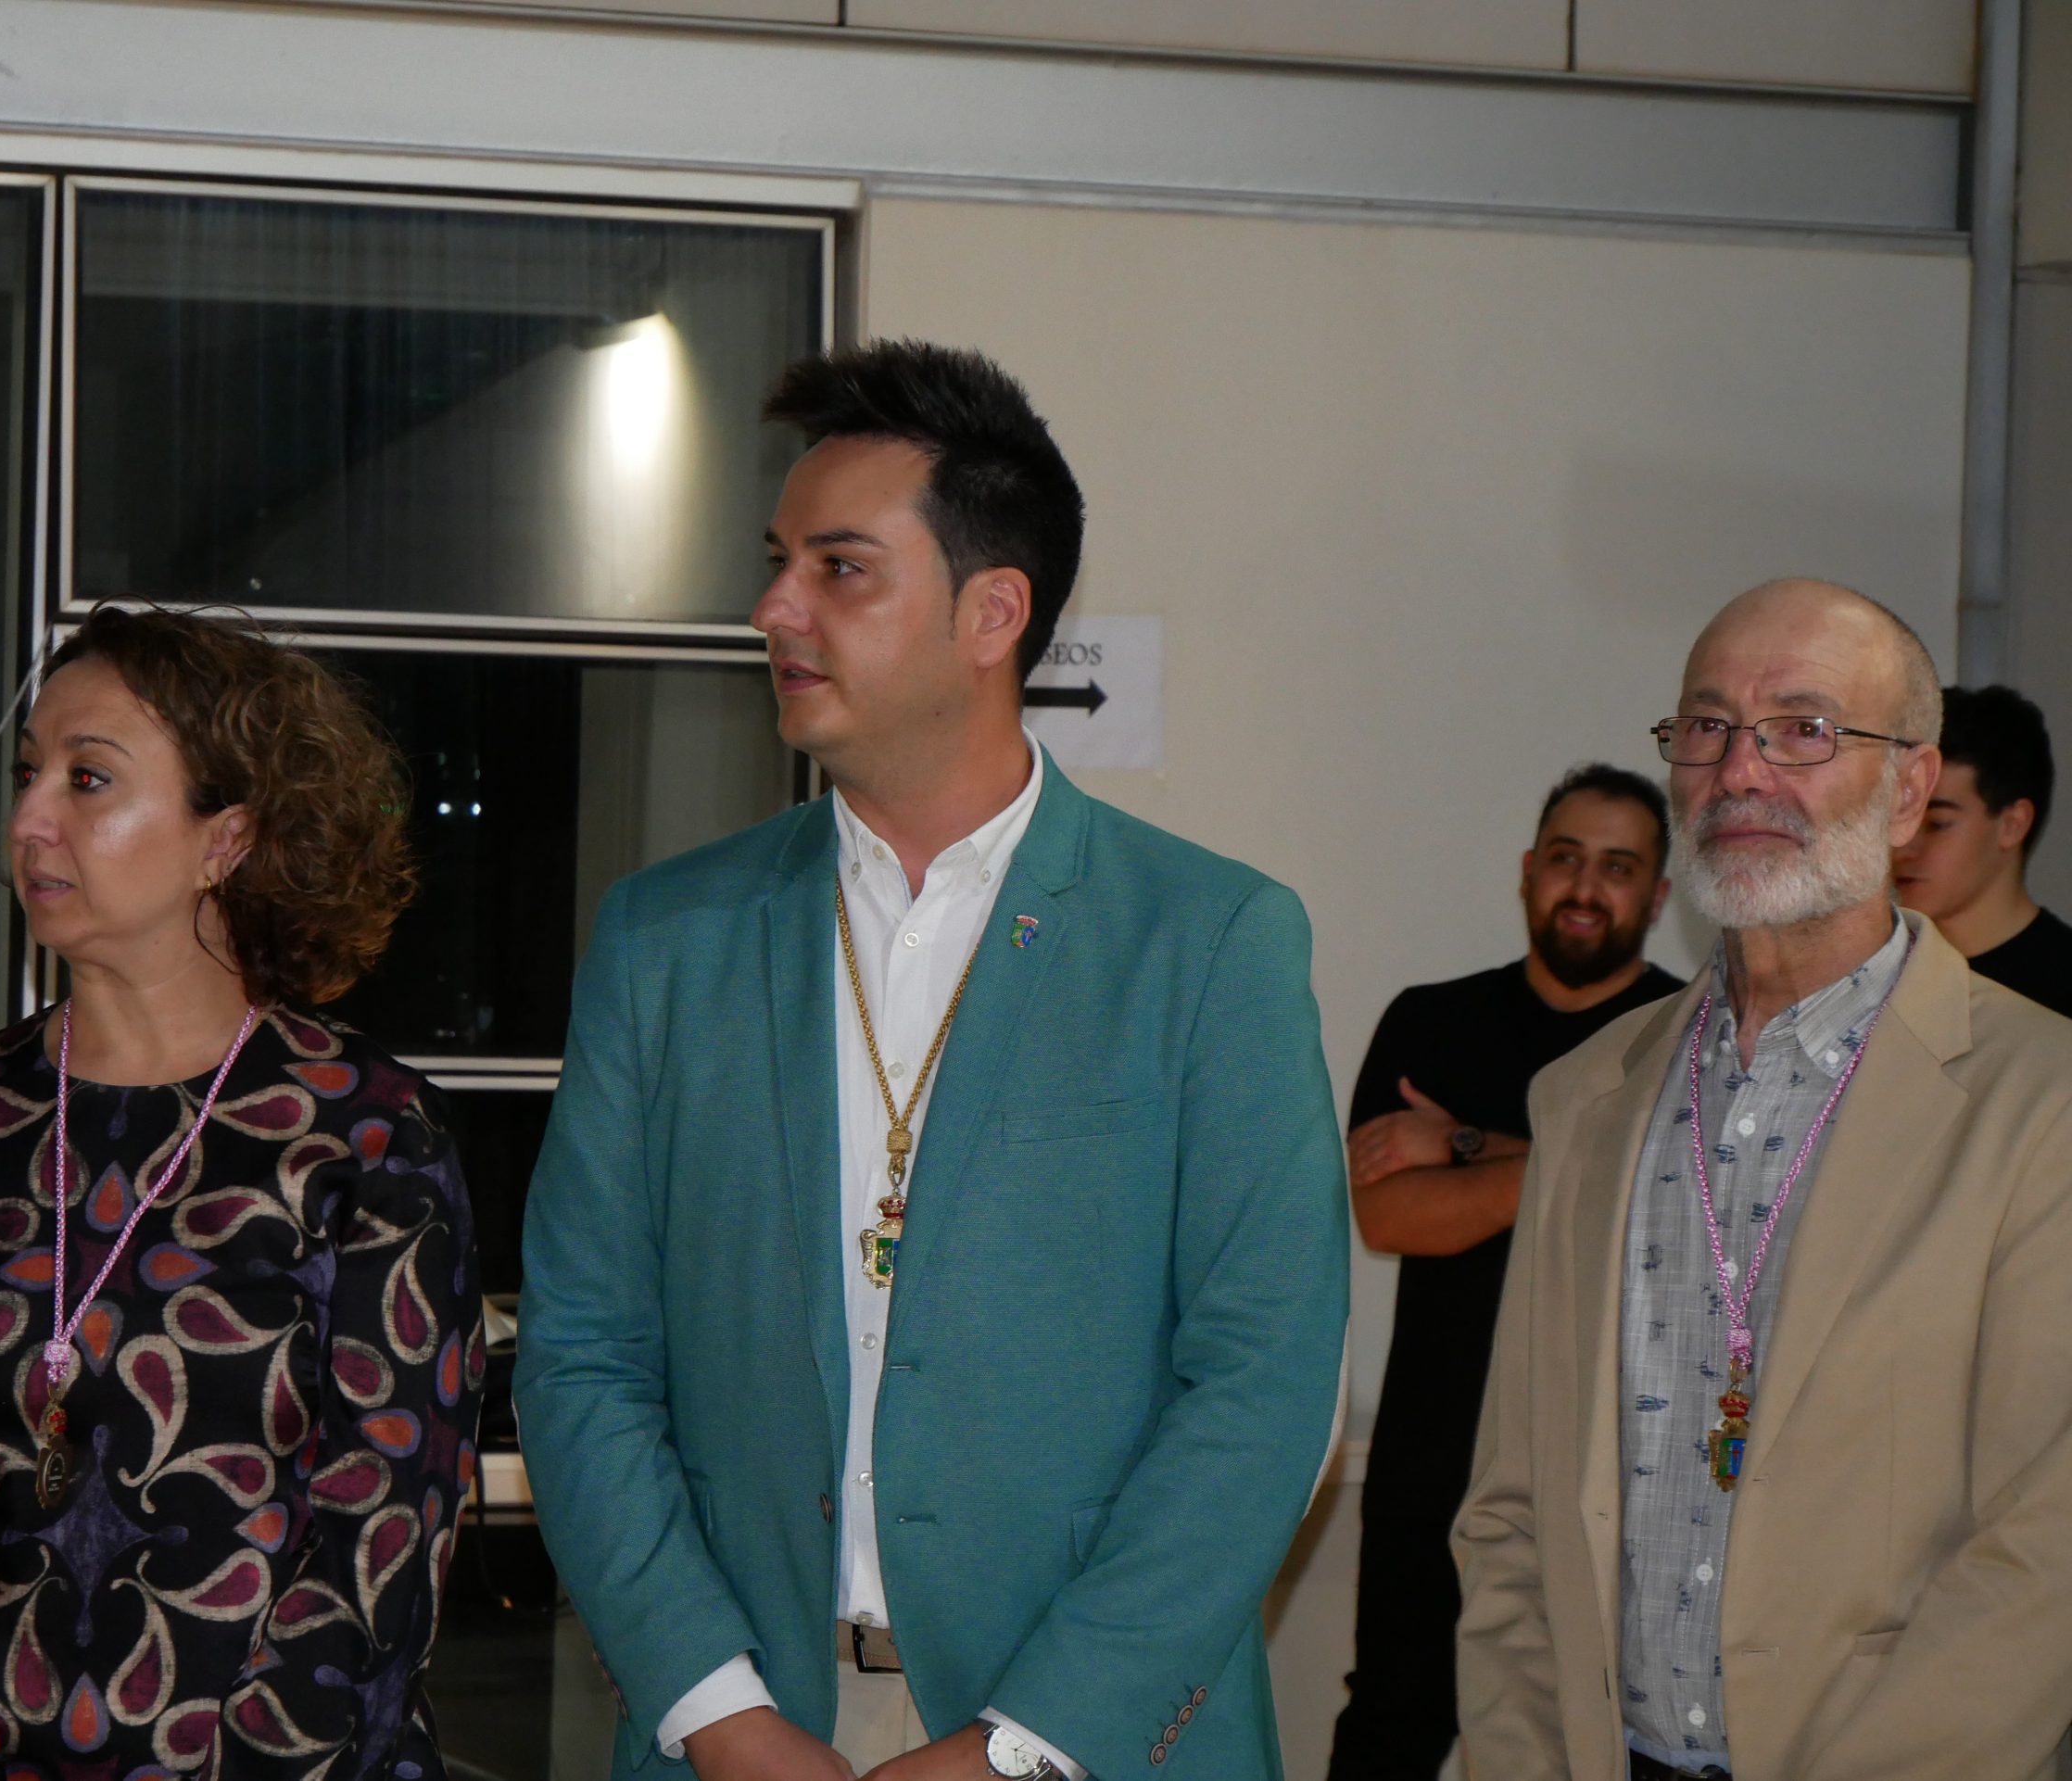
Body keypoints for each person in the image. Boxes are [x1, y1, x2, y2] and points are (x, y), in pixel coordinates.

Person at [514, 340, 1349, 1781]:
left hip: (1078, 1736)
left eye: (840, 568)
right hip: (745, 1721)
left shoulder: (1207, 940)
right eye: (776, 564)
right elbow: (583, 1354)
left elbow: (1263, 1388)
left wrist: (1020, 1747)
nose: (775, 609)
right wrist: (716, 1709)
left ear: (992, 612)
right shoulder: (669, 938)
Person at [0, 605, 486, 1780]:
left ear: (226, 837)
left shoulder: (368, 1132)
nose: (30, 820)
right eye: (29, 775)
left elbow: (384, 1539)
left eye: (87, 779)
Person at [1455, 579, 2072, 1781]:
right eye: (1707, 726)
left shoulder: (2039, 1100)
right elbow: (1513, 1514)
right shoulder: (1584, 1099)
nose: (1740, 770)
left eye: (1804, 727)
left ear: (1908, 788)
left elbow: (2044, 1550)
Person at [1328, 764, 1680, 1780]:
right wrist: (1597, 1164)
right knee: (1389, 1725)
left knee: (1584, 1741)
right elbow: (1391, 1214)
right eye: (1566, 858)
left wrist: (1466, 1144)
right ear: (1528, 871)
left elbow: (1666, 1204)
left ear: (1658, 895)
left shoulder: (1684, 1037)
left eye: (1618, 867)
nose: (1585, 887)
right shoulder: (1431, 1022)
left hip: (1614, 1470)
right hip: (1432, 1455)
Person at [1892, 683, 2072, 1016]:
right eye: (1899, 816)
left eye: (1938, 823)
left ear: (2012, 824)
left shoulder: (2060, 989)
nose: (1903, 843)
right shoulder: (1878, 980)